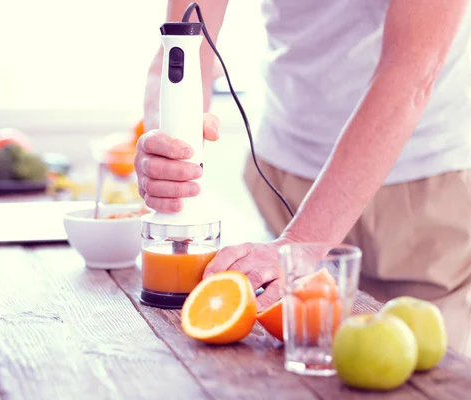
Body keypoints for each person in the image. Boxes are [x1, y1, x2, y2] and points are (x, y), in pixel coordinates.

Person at [134, 0, 471, 356]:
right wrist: (165, 146)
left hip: (422, 190)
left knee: (418, 370)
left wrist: (303, 239)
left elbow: (411, 72)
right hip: (285, 175)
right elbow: (183, 46)